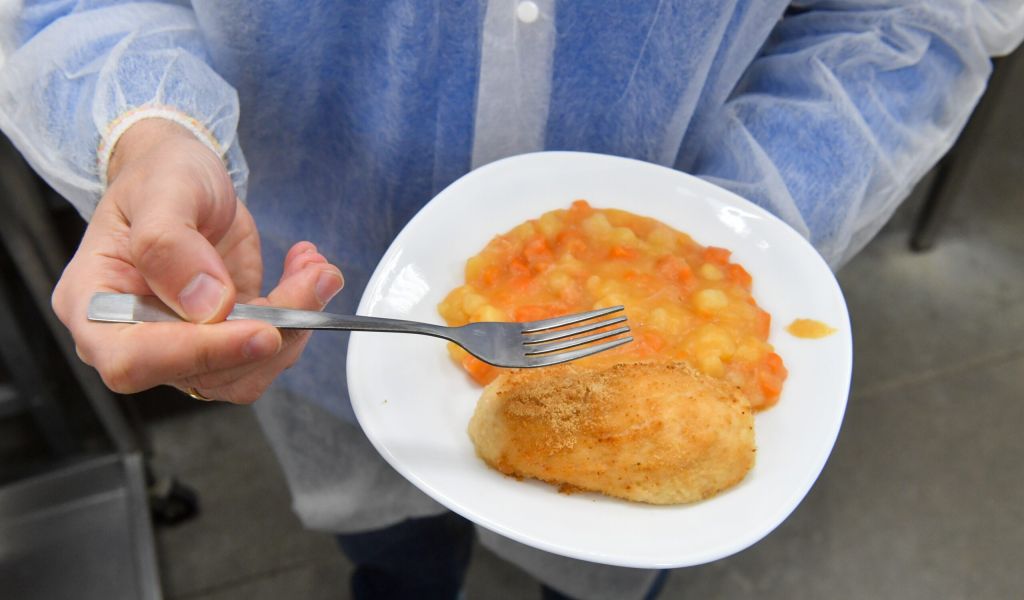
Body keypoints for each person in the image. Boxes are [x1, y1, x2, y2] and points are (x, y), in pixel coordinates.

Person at [1, 1, 1021, 598]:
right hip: (307, 273)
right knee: (392, 549)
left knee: (606, 572)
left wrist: (733, 229)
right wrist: (145, 126)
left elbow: (913, 15)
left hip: (680, 278)